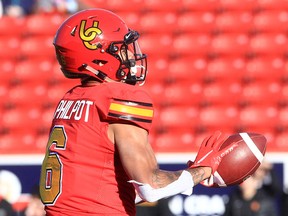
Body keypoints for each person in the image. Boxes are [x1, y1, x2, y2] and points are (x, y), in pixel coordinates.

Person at [39, 8, 235, 216]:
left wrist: (187, 178)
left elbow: (106, 190)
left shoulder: (70, 99)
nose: (130, 54)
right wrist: (203, 170)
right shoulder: (117, 96)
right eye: (121, 48)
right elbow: (151, 187)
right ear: (101, 57)